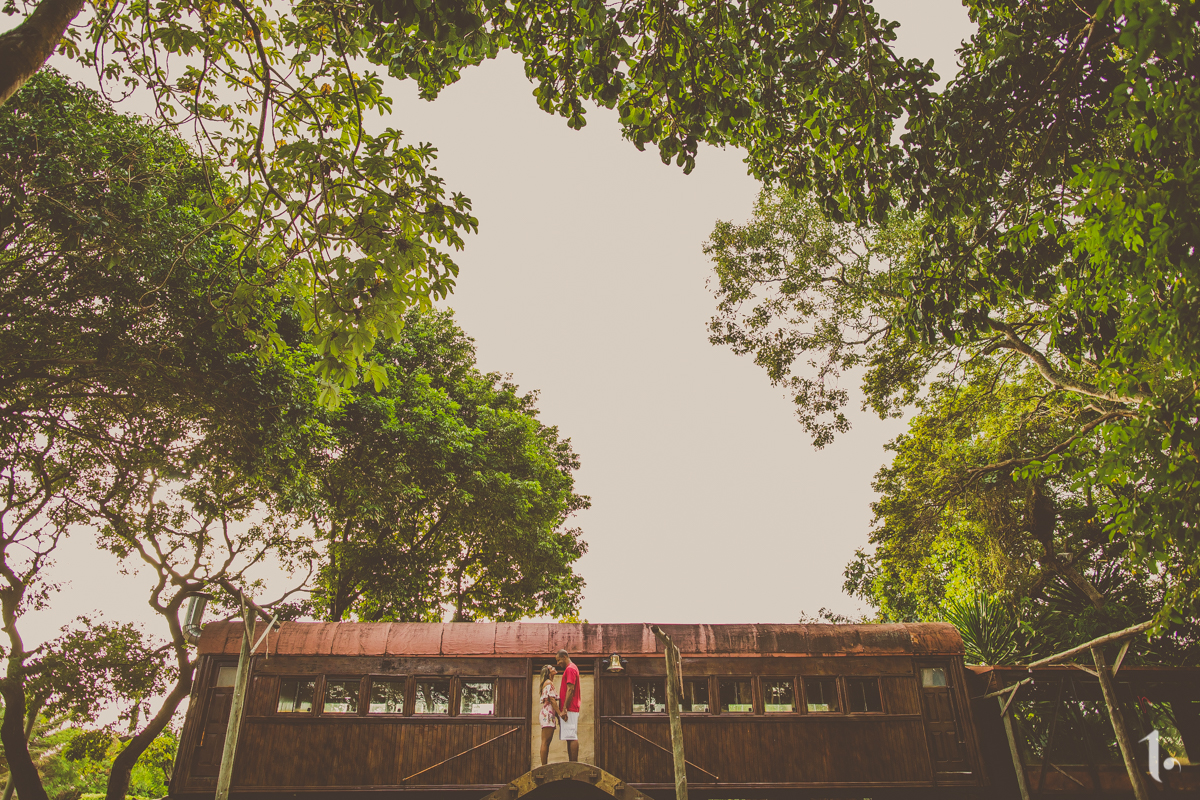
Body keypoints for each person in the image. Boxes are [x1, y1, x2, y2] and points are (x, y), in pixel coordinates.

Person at [555, 648, 581, 762]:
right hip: (570, 708)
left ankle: (573, 764)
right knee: (569, 737)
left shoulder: (570, 669)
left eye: (558, 660)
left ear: (564, 657)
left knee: (571, 736)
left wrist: (564, 708)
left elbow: (570, 689)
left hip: (570, 708)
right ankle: (571, 763)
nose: (558, 663)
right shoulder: (571, 668)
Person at [538, 664, 561, 766]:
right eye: (552, 668)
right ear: (548, 673)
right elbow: (552, 700)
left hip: (548, 714)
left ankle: (544, 764)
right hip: (548, 714)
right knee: (545, 741)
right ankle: (544, 765)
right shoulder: (549, 683)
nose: (554, 669)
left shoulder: (548, 683)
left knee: (546, 741)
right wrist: (560, 714)